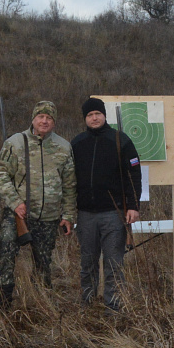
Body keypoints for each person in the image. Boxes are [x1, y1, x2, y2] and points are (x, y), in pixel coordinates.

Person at [0, 100, 76, 308]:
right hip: (17, 215)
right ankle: (4, 302)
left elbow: (70, 184)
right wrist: (15, 202)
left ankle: (41, 306)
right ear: (33, 119)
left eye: (49, 118)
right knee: (5, 255)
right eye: (41, 117)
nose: (44, 121)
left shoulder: (64, 147)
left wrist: (68, 215)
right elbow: (1, 174)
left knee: (43, 264)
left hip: (49, 217)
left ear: (54, 122)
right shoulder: (15, 143)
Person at [70, 98, 142, 313]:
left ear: (104, 115)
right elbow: (68, 177)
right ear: (85, 118)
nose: (94, 118)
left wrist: (133, 206)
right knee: (87, 263)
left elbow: (134, 175)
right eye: (90, 115)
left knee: (113, 263)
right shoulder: (77, 143)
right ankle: (88, 304)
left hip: (114, 213)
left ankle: (113, 306)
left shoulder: (120, 140)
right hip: (85, 214)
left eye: (97, 114)